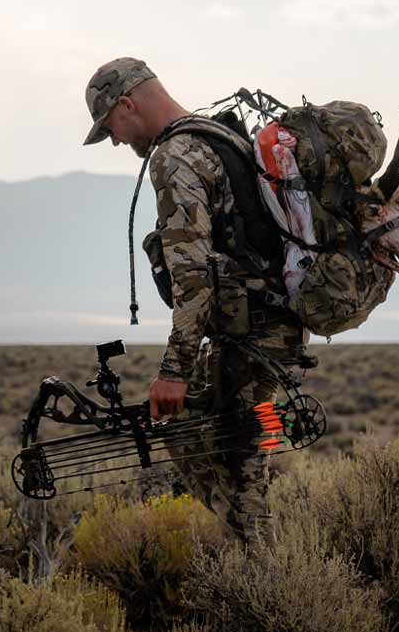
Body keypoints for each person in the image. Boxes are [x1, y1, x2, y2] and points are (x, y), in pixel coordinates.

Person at [81, 56, 309, 543]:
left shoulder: (176, 155)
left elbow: (193, 275)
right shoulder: (219, 135)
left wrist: (174, 371)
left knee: (219, 454)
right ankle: (265, 563)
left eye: (110, 126)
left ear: (127, 104)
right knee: (238, 455)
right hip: (270, 330)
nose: (116, 140)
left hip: (253, 337)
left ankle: (266, 570)